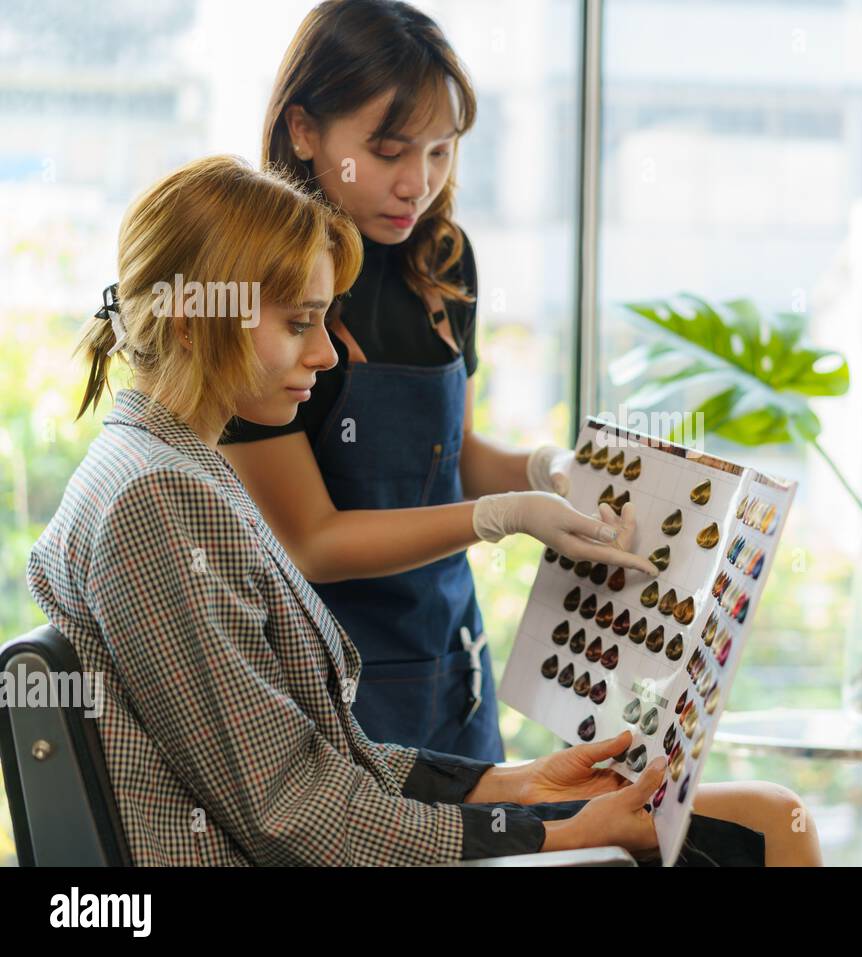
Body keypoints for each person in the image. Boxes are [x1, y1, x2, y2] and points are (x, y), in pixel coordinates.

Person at [27, 154, 822, 865]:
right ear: (192, 323)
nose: (327, 354)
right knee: (770, 825)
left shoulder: (167, 470)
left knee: (758, 817)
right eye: (300, 323)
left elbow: (320, 763)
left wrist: (515, 781)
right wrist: (561, 830)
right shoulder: (158, 501)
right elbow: (291, 811)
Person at [218, 0, 651, 761]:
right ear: (304, 129)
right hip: (323, 684)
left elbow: (449, 457)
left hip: (450, 662)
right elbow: (310, 541)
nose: (418, 183)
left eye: (442, 152)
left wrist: (548, 471)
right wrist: (500, 516)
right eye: (389, 152)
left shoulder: (442, 259)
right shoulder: (260, 287)